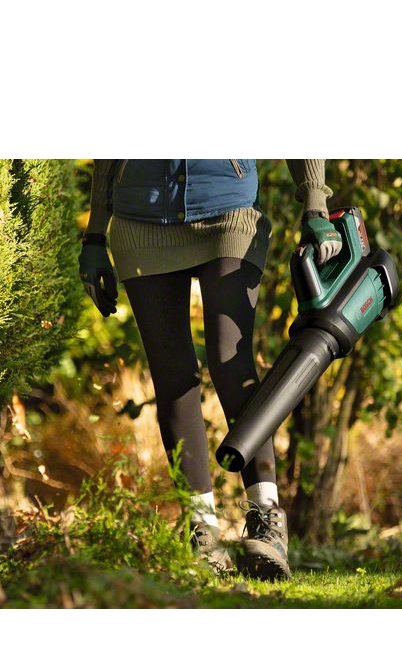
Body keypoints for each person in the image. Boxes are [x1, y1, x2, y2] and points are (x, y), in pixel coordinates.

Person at [78, 160, 342, 580]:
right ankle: (202, 530)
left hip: (227, 208)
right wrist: (95, 234)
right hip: (140, 218)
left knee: (230, 360)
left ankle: (267, 520)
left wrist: (315, 204)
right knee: (173, 376)